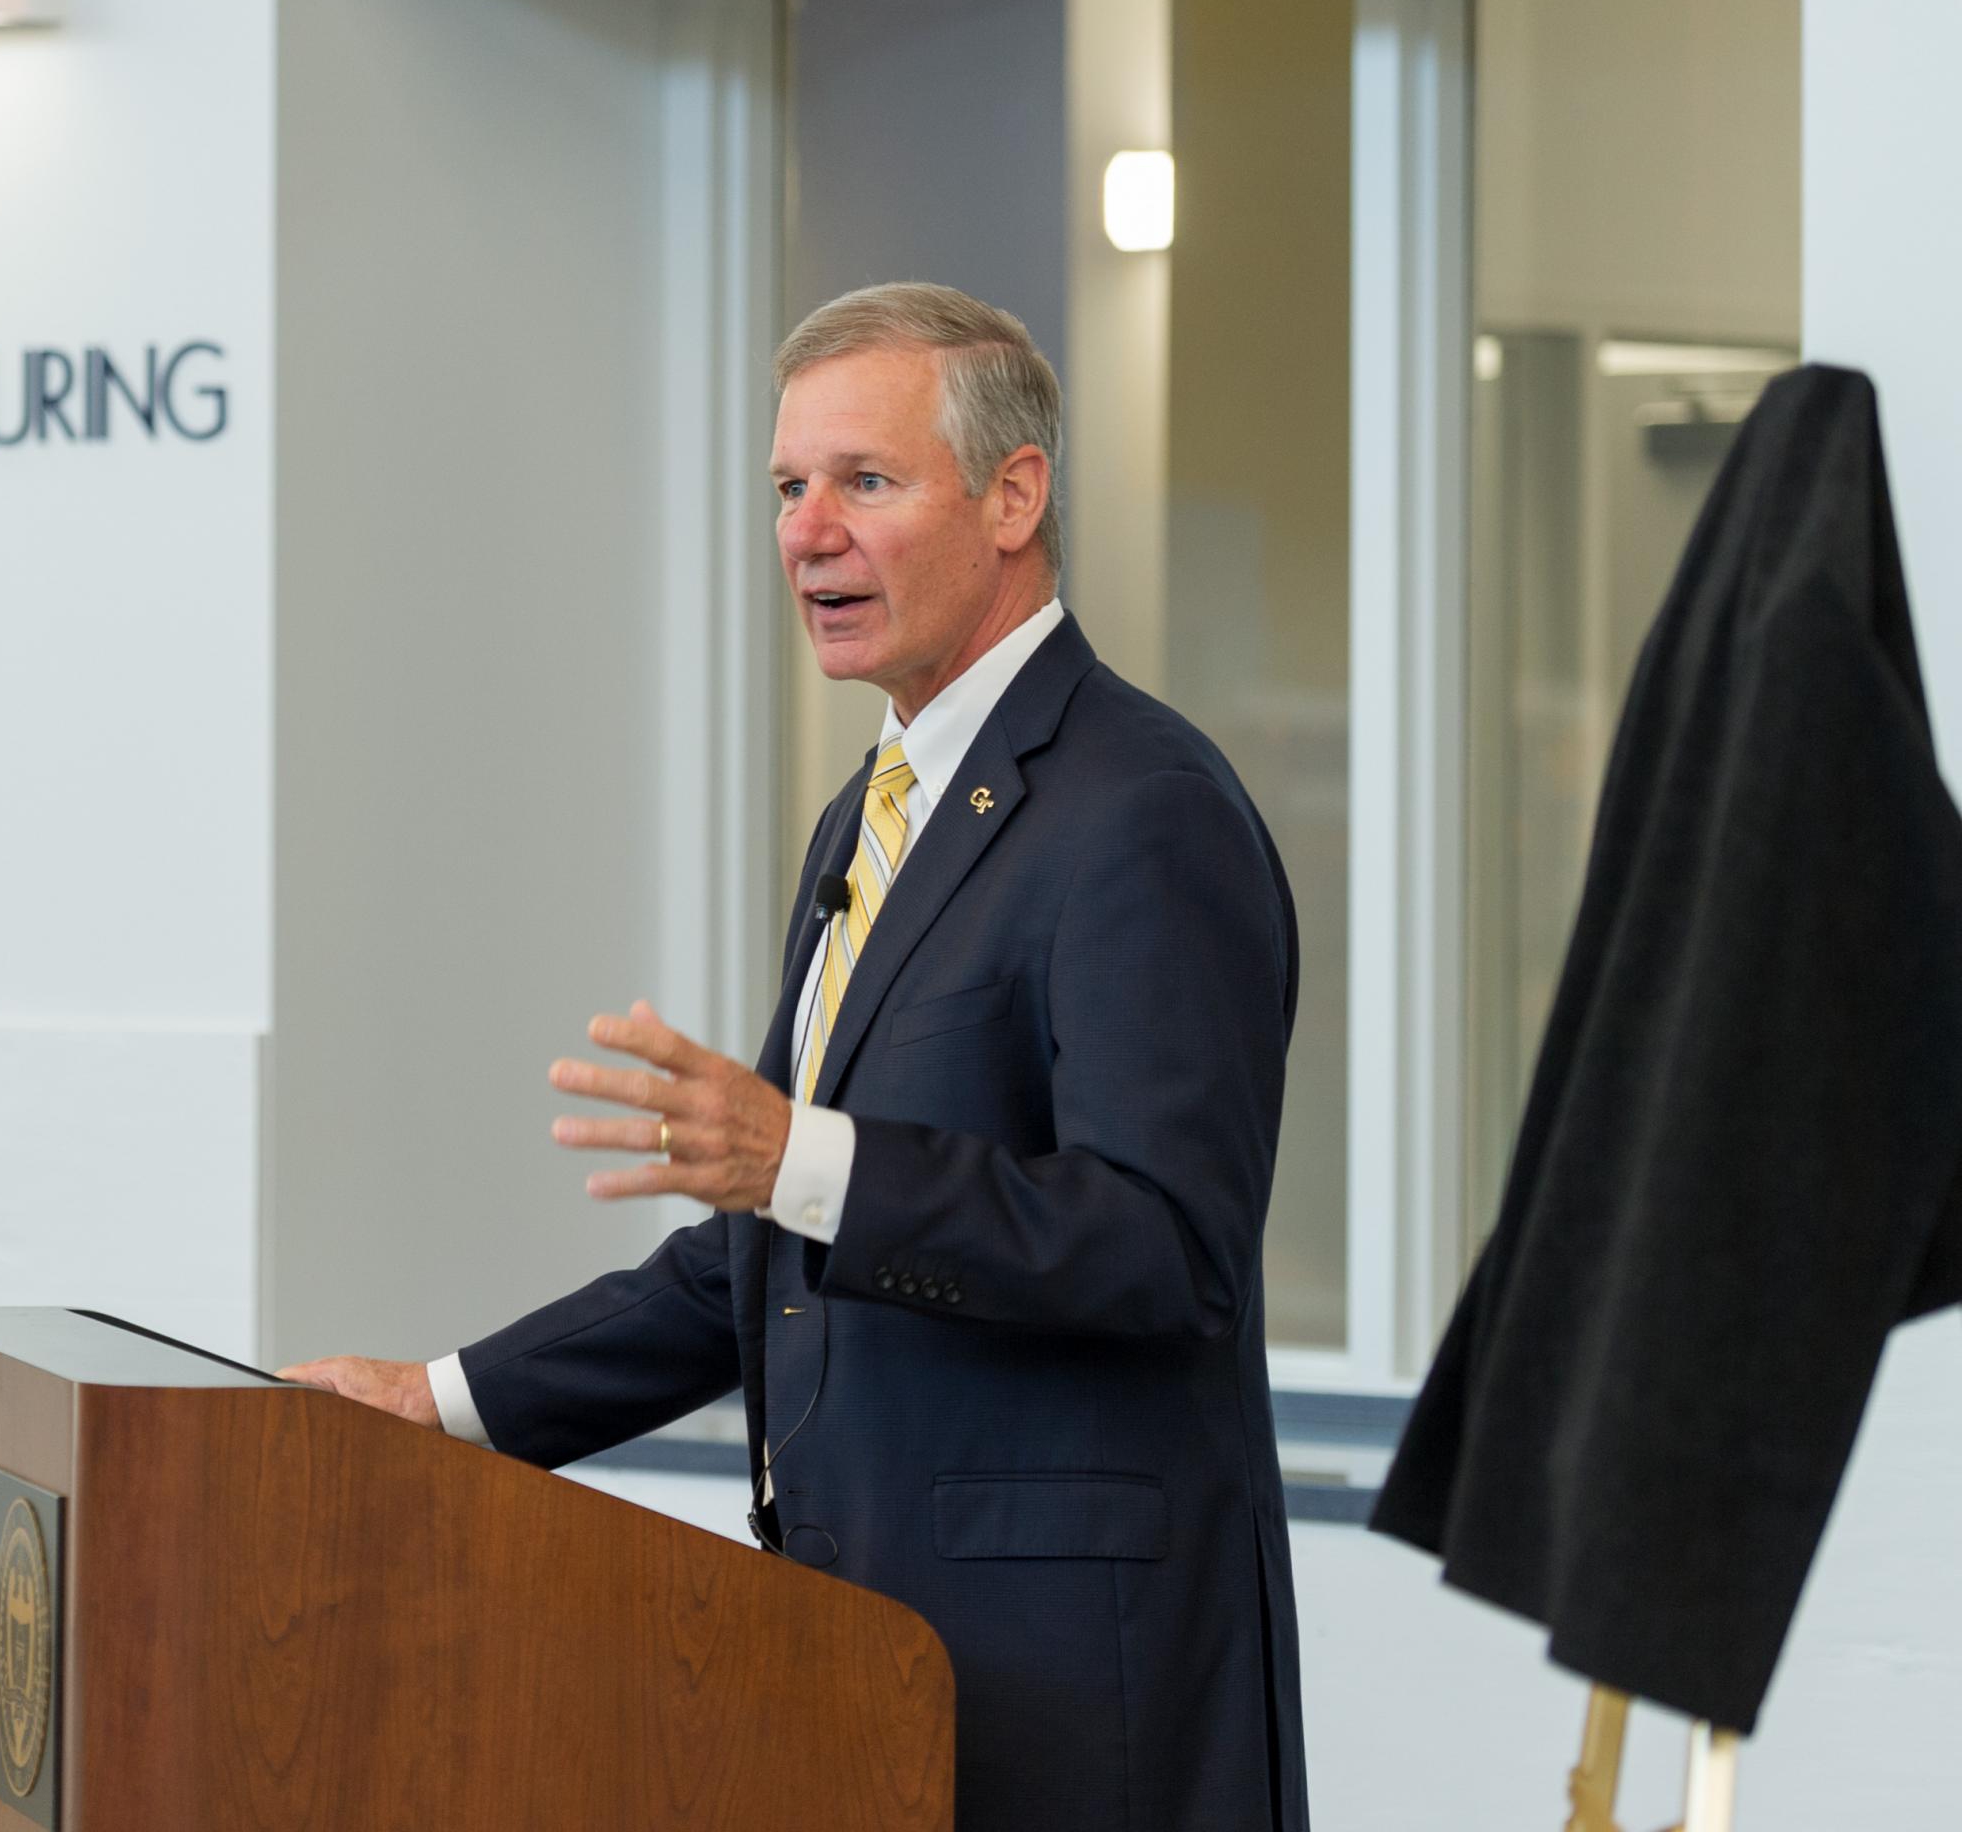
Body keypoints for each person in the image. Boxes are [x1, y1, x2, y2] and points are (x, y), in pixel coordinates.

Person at [287, 282, 1309, 1832]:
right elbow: (770, 1257)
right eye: (787, 487)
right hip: (868, 1668)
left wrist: (798, 1157)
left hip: (1072, 1696)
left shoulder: (1139, 809)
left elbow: (1165, 1249)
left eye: (866, 482)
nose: (807, 532)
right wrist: (441, 1406)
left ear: (1015, 495)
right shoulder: (873, 813)